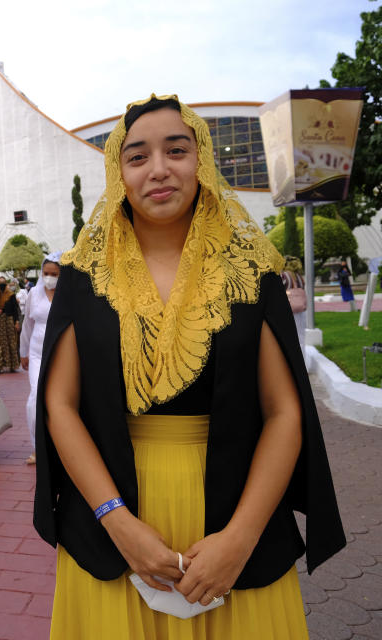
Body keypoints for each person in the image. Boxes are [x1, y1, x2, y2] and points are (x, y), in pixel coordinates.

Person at [33, 95, 345, 639]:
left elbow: (284, 411)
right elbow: (60, 406)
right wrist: (119, 524)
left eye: (177, 150)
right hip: (115, 518)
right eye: (137, 156)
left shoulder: (252, 271)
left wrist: (240, 540)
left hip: (234, 515)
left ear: (201, 160)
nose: (159, 169)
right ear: (118, 172)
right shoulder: (83, 275)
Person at [19, 252, 61, 465]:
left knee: (58, 401)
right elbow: (27, 325)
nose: (49, 277)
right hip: (37, 353)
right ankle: (37, 447)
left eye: (54, 274)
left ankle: (58, 445)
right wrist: (23, 351)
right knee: (35, 399)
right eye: (46, 273)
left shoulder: (68, 294)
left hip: (62, 354)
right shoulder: (34, 294)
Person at [0, 275, 21, 373]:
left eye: (4, 282)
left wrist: (17, 322)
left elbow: (15, 310)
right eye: (0, 283)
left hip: (9, 321)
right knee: (0, 342)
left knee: (11, 342)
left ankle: (13, 365)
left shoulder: (11, 295)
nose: (2, 285)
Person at [281, 256, 306, 346]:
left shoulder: (284, 276)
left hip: (288, 309)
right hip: (300, 309)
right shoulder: (299, 277)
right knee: (300, 336)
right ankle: (303, 358)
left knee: (287, 336)